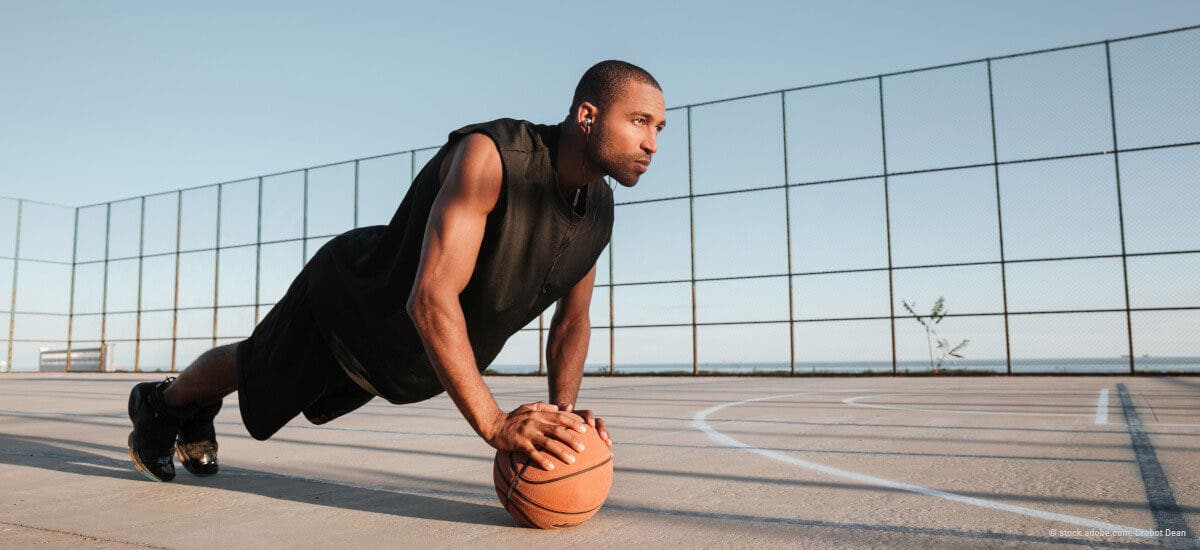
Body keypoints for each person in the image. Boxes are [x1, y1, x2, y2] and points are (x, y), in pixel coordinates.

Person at [125, 60, 666, 482]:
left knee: (273, 380)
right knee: (253, 366)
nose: (651, 143)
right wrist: (496, 423)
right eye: (639, 121)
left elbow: (573, 321)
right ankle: (162, 406)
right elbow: (430, 297)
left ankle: (191, 408)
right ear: (588, 117)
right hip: (354, 305)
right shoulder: (493, 157)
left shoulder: (598, 211)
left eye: (660, 128)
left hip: (405, 358)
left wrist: (563, 420)